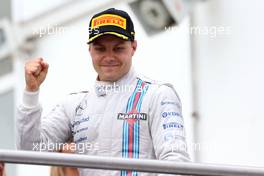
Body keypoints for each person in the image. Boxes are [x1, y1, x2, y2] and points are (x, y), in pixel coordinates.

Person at [17, 8, 190, 176]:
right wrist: (31, 92)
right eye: (100, 48)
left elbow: (176, 162)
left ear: (133, 47)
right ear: (90, 50)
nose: (109, 57)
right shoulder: (75, 104)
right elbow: (29, 149)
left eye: (118, 48)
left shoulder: (158, 95)